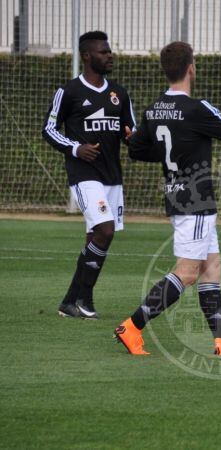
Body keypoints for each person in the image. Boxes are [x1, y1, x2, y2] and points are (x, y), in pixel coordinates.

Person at [114, 41, 221, 356]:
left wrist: (133, 137)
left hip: (177, 197)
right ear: (191, 68)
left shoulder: (153, 110)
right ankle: (132, 326)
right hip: (196, 202)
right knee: (188, 271)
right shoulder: (196, 108)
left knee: (210, 268)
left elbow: (136, 149)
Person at [42, 31, 135, 320]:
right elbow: (49, 129)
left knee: (97, 237)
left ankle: (74, 302)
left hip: (112, 176)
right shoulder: (68, 92)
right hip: (84, 174)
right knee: (104, 230)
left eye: (110, 51)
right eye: (103, 51)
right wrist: (75, 148)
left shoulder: (119, 93)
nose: (110, 56)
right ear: (86, 56)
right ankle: (82, 300)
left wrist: (137, 139)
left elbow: (130, 131)